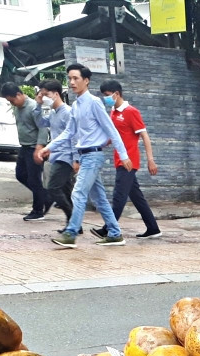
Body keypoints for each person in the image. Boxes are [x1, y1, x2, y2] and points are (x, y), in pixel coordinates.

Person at [37, 63, 132, 248]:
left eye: (76, 78)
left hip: (93, 156)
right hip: (85, 155)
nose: (72, 82)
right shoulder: (76, 106)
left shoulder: (94, 102)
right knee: (99, 198)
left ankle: (71, 233)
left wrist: (124, 155)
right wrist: (49, 147)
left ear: (86, 81)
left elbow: (111, 130)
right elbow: (68, 133)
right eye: (70, 79)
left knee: (78, 193)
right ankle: (115, 233)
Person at [92, 79, 161, 240]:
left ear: (117, 94)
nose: (106, 99)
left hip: (129, 161)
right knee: (136, 197)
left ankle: (108, 229)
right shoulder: (113, 112)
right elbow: (113, 136)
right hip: (119, 160)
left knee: (119, 196)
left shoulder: (131, 111)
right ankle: (153, 228)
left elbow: (144, 135)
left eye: (108, 95)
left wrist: (150, 159)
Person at [1, 82, 49, 222]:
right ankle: (45, 196)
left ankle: (38, 210)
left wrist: (40, 148)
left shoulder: (33, 107)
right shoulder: (18, 107)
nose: (12, 103)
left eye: (12, 100)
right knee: (21, 175)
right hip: (24, 147)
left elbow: (43, 128)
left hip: (35, 147)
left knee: (34, 180)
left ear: (19, 94)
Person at [35, 81, 75, 231]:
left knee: (53, 188)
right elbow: (39, 122)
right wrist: (38, 105)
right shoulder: (53, 113)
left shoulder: (68, 112)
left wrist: (76, 158)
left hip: (66, 156)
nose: (44, 97)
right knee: (66, 191)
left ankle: (73, 222)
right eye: (42, 94)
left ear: (56, 94)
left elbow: (73, 136)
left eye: (46, 94)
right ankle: (74, 224)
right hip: (56, 155)